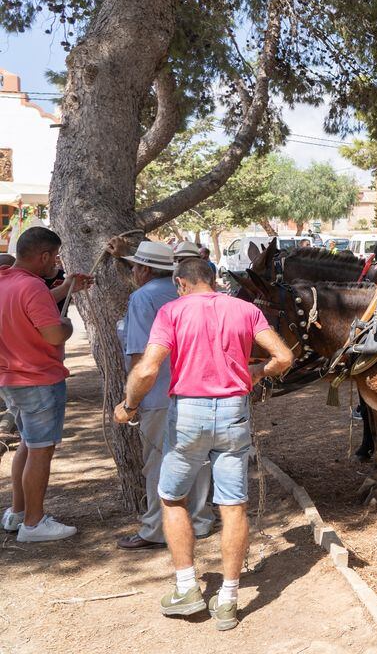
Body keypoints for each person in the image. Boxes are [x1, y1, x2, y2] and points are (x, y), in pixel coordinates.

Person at [115, 258, 293, 630]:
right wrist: (257, 373)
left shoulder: (172, 311)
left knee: (172, 497)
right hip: (233, 412)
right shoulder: (244, 309)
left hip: (189, 414)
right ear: (213, 280)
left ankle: (186, 588)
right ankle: (228, 598)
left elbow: (147, 369)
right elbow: (285, 357)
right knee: (232, 506)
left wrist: (129, 405)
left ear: (180, 283)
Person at [116, 242, 215, 550]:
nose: (132, 272)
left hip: (158, 392)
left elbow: (139, 356)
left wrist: (131, 399)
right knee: (198, 459)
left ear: (144, 270)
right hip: (197, 388)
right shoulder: (185, 293)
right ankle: (199, 521)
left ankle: (155, 528)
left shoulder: (142, 297)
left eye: (134, 267)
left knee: (158, 462)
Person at [0, 227, 93, 542]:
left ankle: (17, 513)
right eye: (54, 256)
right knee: (41, 450)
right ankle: (34, 523)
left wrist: (66, 287)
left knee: (28, 444)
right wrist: (65, 325)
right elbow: (53, 333)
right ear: (43, 256)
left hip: (11, 380)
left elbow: (29, 304)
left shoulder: (7, 282)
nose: (56, 261)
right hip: (38, 379)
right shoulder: (33, 287)